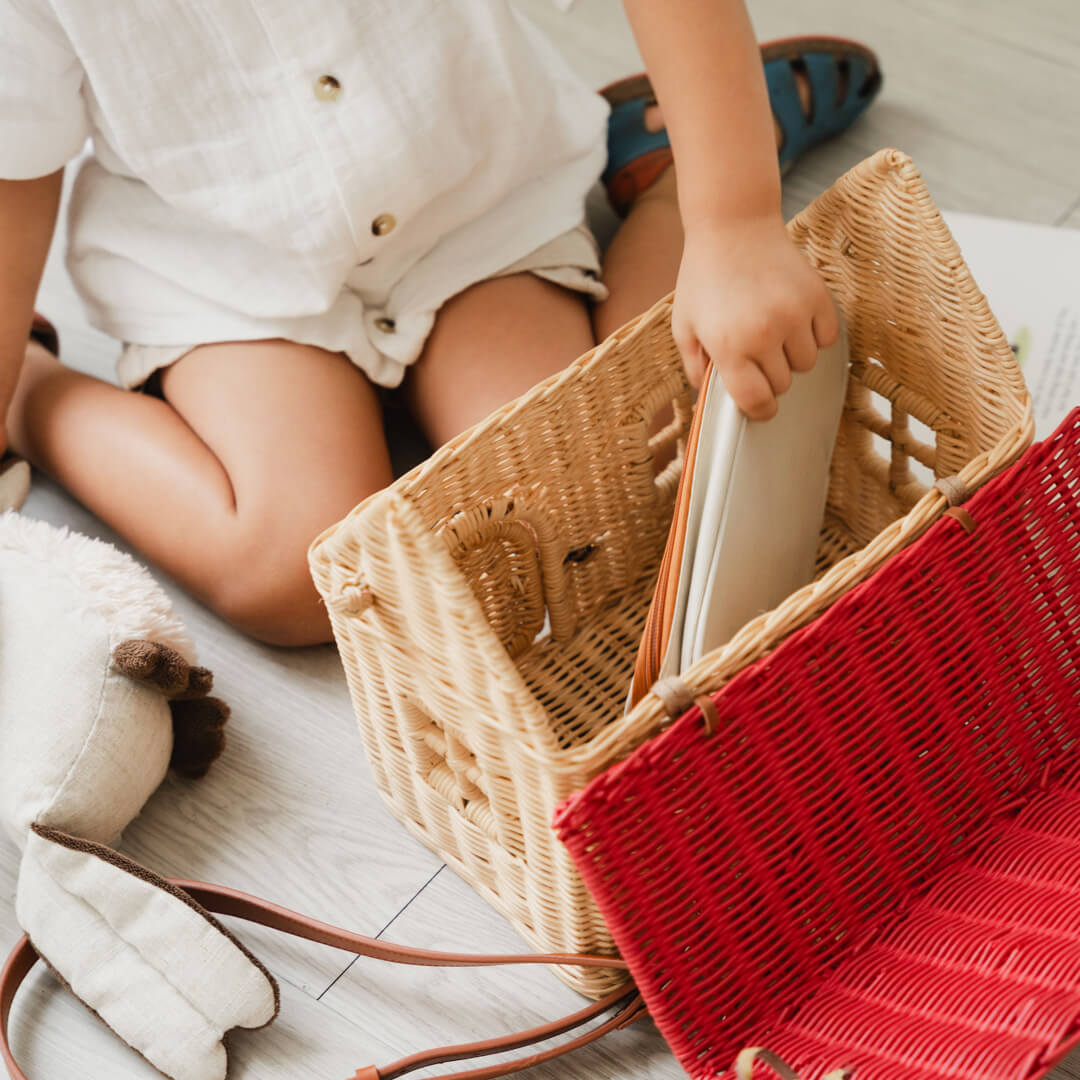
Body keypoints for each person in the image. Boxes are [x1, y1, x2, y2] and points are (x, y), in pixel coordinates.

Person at [0, 0, 880, 646]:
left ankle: (684, 164)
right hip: (228, 264)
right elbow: (15, 167)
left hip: (468, 204)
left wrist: (734, 220)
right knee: (293, 576)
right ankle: (31, 399)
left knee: (602, 500)